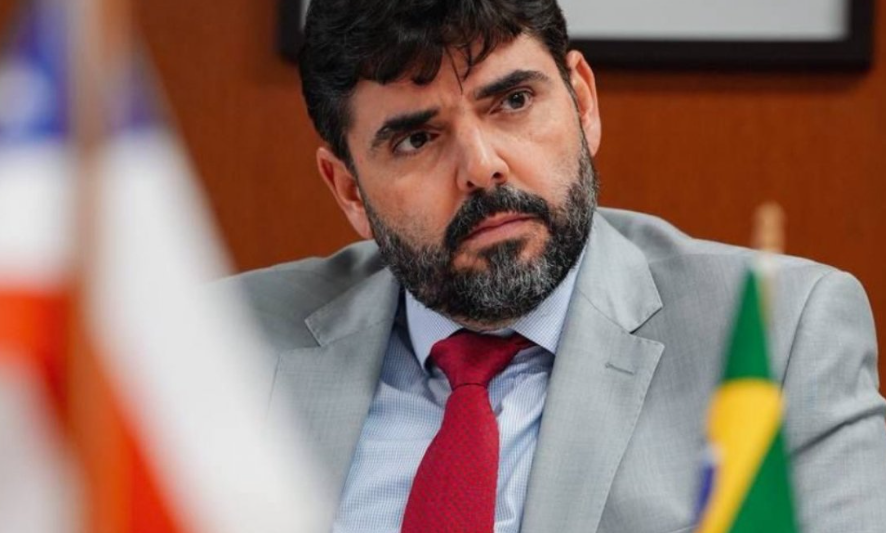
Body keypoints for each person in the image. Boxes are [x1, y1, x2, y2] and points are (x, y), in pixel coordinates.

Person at [227, 0, 886, 531]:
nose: (482, 166)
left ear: (583, 101)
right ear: (348, 189)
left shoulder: (780, 335)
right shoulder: (222, 344)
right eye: (417, 138)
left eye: (513, 101)